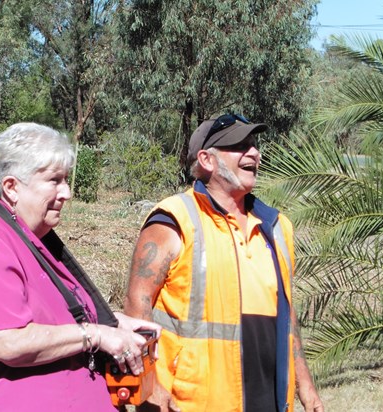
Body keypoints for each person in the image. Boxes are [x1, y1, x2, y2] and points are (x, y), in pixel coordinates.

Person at [0, 123, 161, 411]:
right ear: (12, 187)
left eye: (65, 179)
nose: (66, 193)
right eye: (54, 180)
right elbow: (5, 340)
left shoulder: (23, 232)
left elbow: (46, 312)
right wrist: (96, 335)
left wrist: (109, 321)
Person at [124, 114, 324, 412]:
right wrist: (148, 383)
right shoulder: (174, 219)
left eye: (255, 145)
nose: (254, 153)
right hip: (192, 403)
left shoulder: (277, 227)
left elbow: (287, 314)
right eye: (240, 146)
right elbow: (136, 304)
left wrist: (305, 387)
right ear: (207, 159)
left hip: (269, 400)